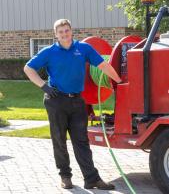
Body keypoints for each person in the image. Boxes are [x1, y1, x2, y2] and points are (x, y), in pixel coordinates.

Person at [24, 19, 121, 190]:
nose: (64, 34)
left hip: (77, 101)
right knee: (59, 140)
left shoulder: (84, 49)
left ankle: (91, 179)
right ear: (56, 34)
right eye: (60, 32)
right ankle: (65, 177)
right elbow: (28, 68)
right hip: (56, 101)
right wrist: (44, 86)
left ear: (71, 31)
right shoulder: (49, 52)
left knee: (81, 141)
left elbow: (103, 65)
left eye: (66, 30)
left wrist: (119, 82)